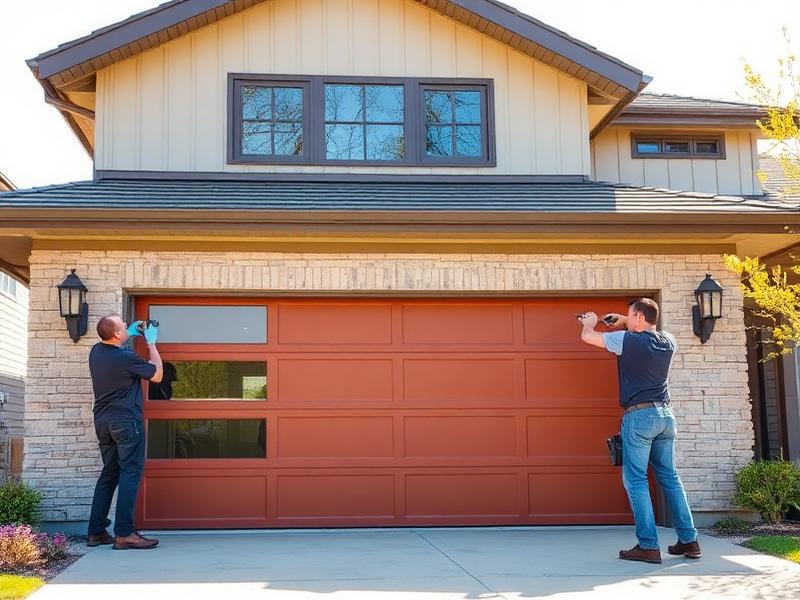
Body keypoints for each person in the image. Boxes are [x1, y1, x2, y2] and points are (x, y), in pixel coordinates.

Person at [577, 298, 701, 564]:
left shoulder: (626, 341)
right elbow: (643, 330)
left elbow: (588, 337)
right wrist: (624, 320)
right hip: (666, 416)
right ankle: (690, 541)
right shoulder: (669, 341)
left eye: (631, 315)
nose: (628, 318)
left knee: (635, 480)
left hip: (640, 417)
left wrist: (589, 323)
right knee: (670, 478)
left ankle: (648, 545)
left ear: (640, 318)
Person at [86, 316, 163, 550]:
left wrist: (131, 332)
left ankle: (96, 532)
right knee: (130, 473)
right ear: (117, 335)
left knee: (109, 473)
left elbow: (114, 347)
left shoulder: (96, 352)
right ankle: (124, 533)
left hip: (103, 423)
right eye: (123, 326)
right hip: (126, 423)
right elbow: (157, 375)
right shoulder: (125, 358)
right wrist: (151, 343)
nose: (127, 326)